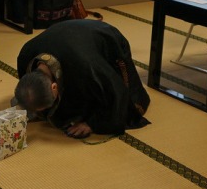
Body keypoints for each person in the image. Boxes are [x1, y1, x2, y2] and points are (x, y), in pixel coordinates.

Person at [14, 19, 151, 138]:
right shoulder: (26, 56)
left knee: (131, 105)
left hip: (106, 38)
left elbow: (116, 91)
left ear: (54, 87)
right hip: (69, 37)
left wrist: (92, 124)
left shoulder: (88, 67)